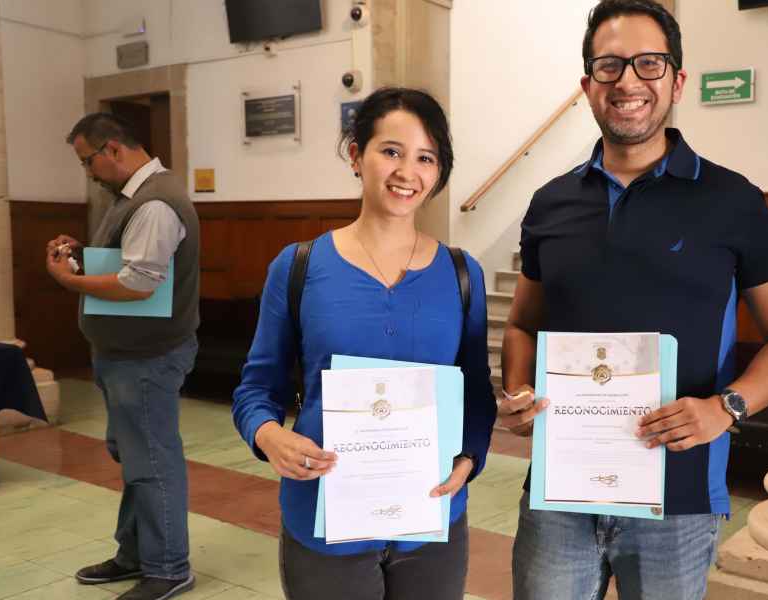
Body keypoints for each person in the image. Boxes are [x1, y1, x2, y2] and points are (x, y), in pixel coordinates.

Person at [498, 1, 768, 598]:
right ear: (588, 87)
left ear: (677, 81)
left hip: (680, 498)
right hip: (560, 490)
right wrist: (517, 389)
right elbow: (522, 325)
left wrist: (726, 408)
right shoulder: (549, 204)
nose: (628, 81)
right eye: (609, 65)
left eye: (649, 63)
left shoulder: (732, 201)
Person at [232, 87, 496, 600]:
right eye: (391, 151)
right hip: (325, 517)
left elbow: (475, 391)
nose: (407, 172)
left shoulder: (462, 273)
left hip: (431, 518)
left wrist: (470, 455)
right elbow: (256, 388)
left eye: (426, 158)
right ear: (356, 155)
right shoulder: (299, 266)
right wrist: (268, 435)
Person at [48, 112, 200, 600]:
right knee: (136, 456)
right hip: (126, 354)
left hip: (146, 358)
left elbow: (138, 284)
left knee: (152, 459)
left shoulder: (155, 203)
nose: (87, 172)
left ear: (112, 149)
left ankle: (169, 568)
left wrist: (70, 281)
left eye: (87, 161)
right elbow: (130, 261)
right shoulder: (132, 196)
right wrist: (83, 254)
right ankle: (135, 553)